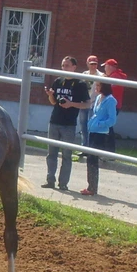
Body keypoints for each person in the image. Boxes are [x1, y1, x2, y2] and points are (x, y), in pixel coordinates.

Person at [42, 56, 90, 191]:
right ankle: (50, 180)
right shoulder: (58, 81)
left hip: (69, 124)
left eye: (67, 65)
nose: (64, 68)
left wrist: (71, 104)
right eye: (63, 65)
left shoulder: (80, 84)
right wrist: (50, 94)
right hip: (54, 121)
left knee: (66, 155)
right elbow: (53, 102)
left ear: (74, 67)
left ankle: (63, 183)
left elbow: (87, 104)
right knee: (51, 153)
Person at [81, 81, 118, 196]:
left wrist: (99, 124)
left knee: (93, 159)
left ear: (104, 86)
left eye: (98, 85)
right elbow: (95, 113)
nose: (96, 88)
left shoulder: (110, 100)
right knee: (90, 159)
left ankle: (92, 187)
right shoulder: (98, 98)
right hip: (92, 131)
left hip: (101, 133)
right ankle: (90, 185)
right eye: (95, 85)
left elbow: (112, 120)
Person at [78, 55, 105, 151]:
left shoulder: (101, 75)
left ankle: (91, 147)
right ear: (87, 64)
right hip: (84, 103)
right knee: (83, 125)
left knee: (92, 125)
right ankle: (84, 146)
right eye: (91, 64)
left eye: (95, 64)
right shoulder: (84, 74)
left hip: (94, 104)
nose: (93, 66)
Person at [102, 58, 128, 154]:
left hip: (112, 105)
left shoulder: (114, 77)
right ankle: (107, 150)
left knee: (107, 127)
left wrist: (104, 80)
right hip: (115, 105)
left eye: (105, 66)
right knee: (108, 126)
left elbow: (108, 89)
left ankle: (109, 151)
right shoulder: (117, 76)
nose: (104, 69)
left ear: (109, 66)